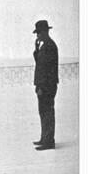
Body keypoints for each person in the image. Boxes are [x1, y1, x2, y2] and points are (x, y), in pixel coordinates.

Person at [32, 20, 59, 151]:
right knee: (43, 112)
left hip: (47, 85)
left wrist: (42, 86)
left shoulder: (50, 46)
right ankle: (45, 138)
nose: (37, 36)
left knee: (47, 112)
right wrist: (37, 50)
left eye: (38, 33)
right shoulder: (45, 46)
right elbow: (40, 64)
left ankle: (49, 141)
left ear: (44, 32)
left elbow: (47, 69)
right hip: (45, 85)